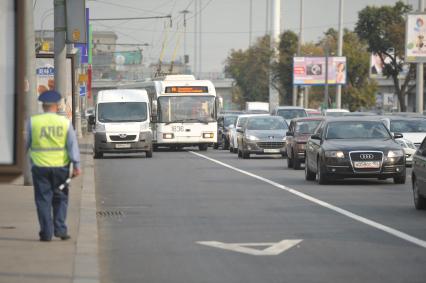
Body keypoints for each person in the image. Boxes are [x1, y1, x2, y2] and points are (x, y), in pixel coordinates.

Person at [26, 90, 81, 242]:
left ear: (43, 106)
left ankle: (46, 232)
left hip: (40, 167)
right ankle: (60, 229)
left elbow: (24, 144)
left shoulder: (33, 122)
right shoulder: (64, 123)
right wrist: (77, 165)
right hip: (61, 168)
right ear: (56, 107)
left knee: (43, 200)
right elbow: (72, 146)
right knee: (61, 198)